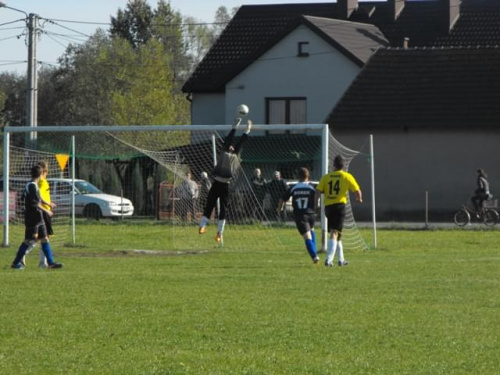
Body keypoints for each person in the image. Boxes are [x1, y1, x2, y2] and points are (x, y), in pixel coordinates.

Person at [199, 119, 252, 246]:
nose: (232, 146)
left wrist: (242, 128)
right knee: (215, 207)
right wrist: (241, 128)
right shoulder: (229, 154)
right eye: (230, 145)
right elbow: (235, 140)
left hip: (221, 185)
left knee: (217, 207)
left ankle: (212, 229)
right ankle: (209, 229)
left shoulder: (230, 154)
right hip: (220, 184)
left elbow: (236, 141)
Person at [11, 164, 63, 270]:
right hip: (32, 218)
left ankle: (51, 263)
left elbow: (39, 199)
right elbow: (35, 203)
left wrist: (48, 204)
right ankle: (15, 263)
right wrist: (47, 211)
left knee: (45, 238)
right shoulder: (31, 185)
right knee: (28, 241)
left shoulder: (34, 185)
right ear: (40, 175)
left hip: (38, 217)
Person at [316, 155, 362, 267]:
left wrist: (316, 204)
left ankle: (341, 260)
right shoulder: (346, 176)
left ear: (333, 165)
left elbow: (318, 192)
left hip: (328, 207)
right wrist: (359, 198)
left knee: (337, 233)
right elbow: (357, 190)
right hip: (339, 207)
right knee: (335, 232)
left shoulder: (326, 177)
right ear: (344, 165)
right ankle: (329, 259)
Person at [278, 167, 319, 264]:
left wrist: (280, 209)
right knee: (312, 231)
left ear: (298, 176)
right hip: (311, 214)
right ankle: (315, 252)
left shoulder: (294, 187)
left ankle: (314, 256)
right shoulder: (312, 187)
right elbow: (319, 193)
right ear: (308, 176)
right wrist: (317, 205)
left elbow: (282, 199)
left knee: (307, 237)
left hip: (300, 216)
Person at [23, 160, 56, 268]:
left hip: (45, 210)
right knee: (41, 238)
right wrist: (47, 205)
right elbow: (38, 197)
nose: (47, 172)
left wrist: (49, 203)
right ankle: (25, 255)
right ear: (43, 171)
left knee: (43, 237)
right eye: (46, 170)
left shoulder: (43, 181)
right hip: (43, 211)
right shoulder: (40, 182)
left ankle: (43, 262)